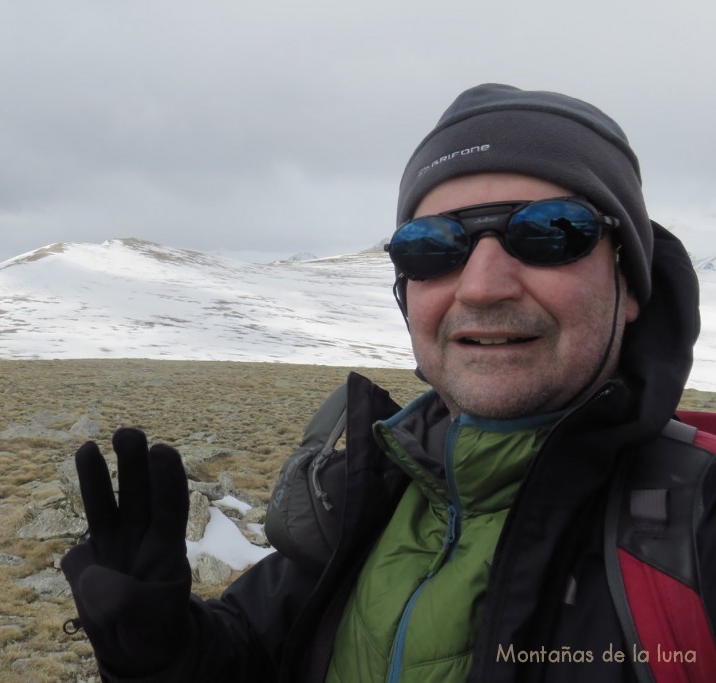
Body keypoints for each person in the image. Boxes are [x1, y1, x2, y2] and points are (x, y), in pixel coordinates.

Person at [60, 83, 716, 682]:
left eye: (550, 234)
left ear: (629, 283)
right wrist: (166, 652)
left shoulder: (696, 523)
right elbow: (260, 652)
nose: (483, 286)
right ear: (406, 289)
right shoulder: (367, 494)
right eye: (432, 245)